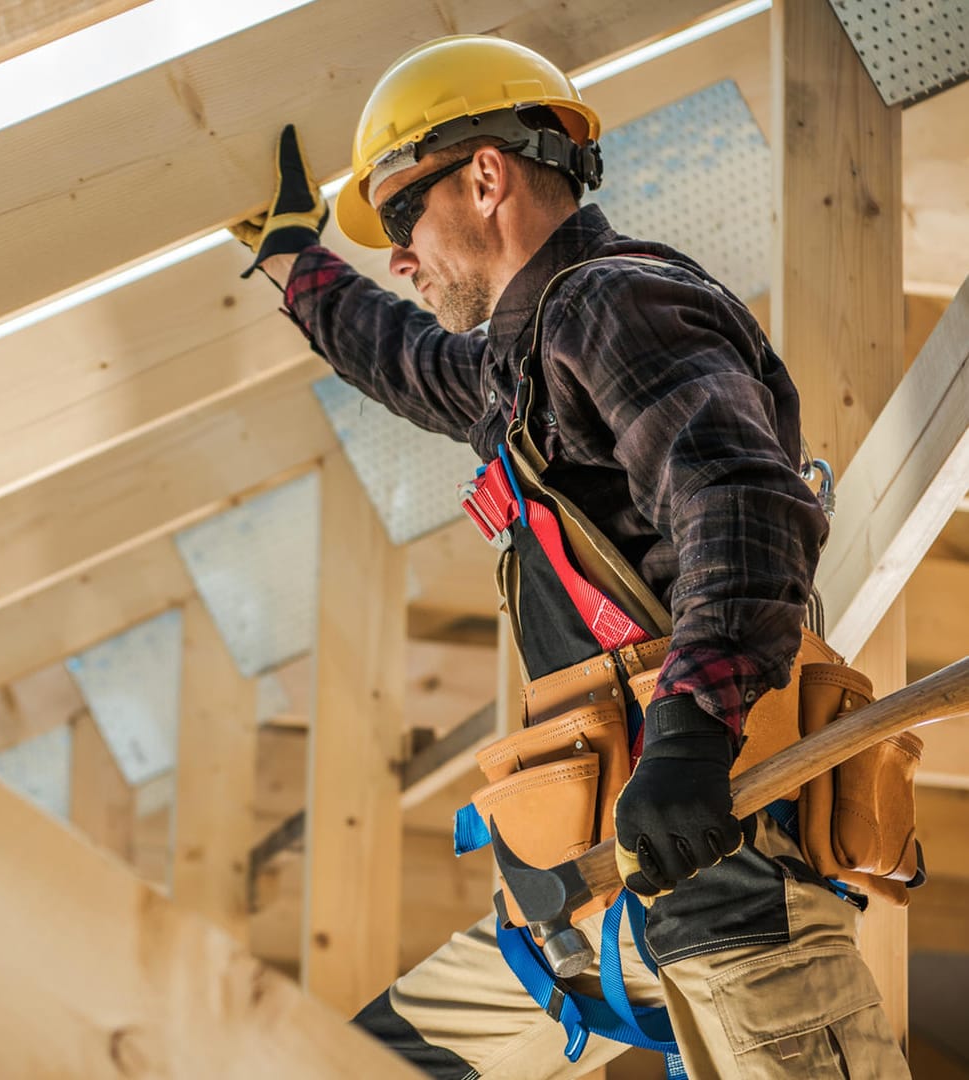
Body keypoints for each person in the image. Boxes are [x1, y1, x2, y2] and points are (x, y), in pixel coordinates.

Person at [231, 35, 912, 1079]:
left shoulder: (610, 303)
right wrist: (294, 261)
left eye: (402, 218)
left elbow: (737, 497)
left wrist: (688, 737)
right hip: (588, 903)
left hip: (725, 888)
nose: (400, 259)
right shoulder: (521, 363)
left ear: (488, 175)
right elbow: (401, 359)